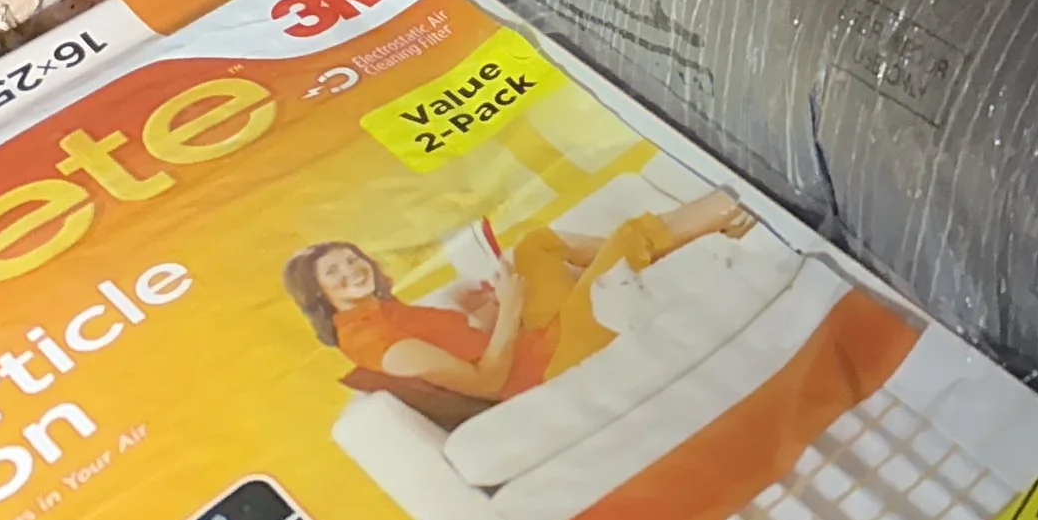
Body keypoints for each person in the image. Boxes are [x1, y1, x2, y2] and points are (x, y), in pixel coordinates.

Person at [284, 189, 757, 410]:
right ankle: (740, 204)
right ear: (318, 293)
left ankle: (655, 250)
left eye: (351, 260)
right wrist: (509, 305)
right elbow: (487, 382)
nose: (351, 271)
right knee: (624, 242)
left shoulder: (381, 310)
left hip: (532, 339)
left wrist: (486, 308)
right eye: (334, 272)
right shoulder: (372, 339)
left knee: (534, 245)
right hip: (549, 364)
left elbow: (462, 341)